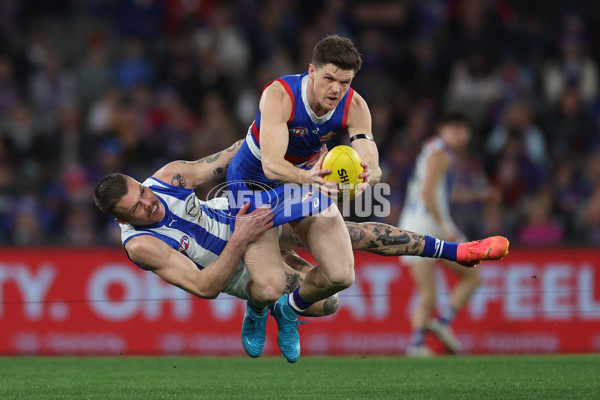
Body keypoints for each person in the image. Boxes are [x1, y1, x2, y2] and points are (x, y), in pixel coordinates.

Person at [93, 139, 509, 361]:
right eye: (137, 209)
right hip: (237, 263)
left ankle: (457, 250)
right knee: (327, 305)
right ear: (122, 219)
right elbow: (203, 287)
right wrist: (238, 238)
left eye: (143, 193)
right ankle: (261, 309)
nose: (149, 203)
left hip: (247, 211)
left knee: (354, 233)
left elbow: (238, 151)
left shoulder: (169, 177)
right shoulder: (143, 244)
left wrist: (292, 161)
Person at [226, 34, 382, 363]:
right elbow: (271, 163)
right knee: (268, 285)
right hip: (254, 186)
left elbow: (366, 146)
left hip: (304, 182)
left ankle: (288, 309)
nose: (336, 89)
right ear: (311, 71)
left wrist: (372, 172)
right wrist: (306, 177)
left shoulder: (354, 105)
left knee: (341, 275)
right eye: (328, 78)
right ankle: (256, 310)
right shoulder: (279, 95)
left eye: (345, 81)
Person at [399, 112, 504, 357]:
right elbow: (427, 194)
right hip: (423, 229)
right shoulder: (442, 155)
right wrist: (445, 224)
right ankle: (419, 343)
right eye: (454, 128)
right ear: (442, 129)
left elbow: (445, 193)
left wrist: (480, 195)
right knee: (434, 291)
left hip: (419, 228)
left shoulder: (435, 151)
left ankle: (439, 326)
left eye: (463, 128)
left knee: (468, 279)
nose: (460, 134)